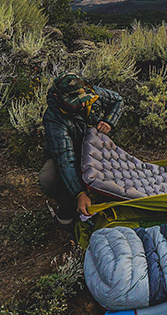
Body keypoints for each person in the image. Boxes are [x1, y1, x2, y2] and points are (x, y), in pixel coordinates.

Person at [40, 73, 123, 225]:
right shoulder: (53, 118)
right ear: (59, 99)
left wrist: (109, 121)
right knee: (49, 179)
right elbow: (65, 158)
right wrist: (79, 194)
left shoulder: (90, 93)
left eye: (84, 99)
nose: (83, 104)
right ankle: (67, 205)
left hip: (94, 148)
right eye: (75, 102)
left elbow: (117, 100)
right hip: (69, 151)